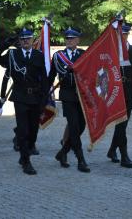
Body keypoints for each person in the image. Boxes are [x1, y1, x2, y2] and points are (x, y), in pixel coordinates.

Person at [0, 28, 49, 175]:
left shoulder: (38, 55)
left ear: (32, 39)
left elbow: (44, 78)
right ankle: (26, 161)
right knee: (23, 131)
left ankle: (25, 155)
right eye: (22, 39)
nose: (25, 41)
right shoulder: (12, 54)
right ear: (19, 41)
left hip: (36, 97)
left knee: (33, 132)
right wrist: (5, 44)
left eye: (28, 38)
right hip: (21, 97)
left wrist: (44, 98)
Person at [49, 27, 90, 173]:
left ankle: (63, 152)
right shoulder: (58, 56)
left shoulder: (83, 54)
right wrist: (46, 90)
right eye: (67, 38)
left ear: (78, 40)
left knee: (82, 126)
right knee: (73, 126)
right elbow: (52, 74)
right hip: (67, 95)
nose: (70, 41)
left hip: (82, 95)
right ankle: (81, 160)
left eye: (72, 38)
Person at [106, 23, 132, 168]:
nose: (123, 37)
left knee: (122, 124)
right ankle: (124, 155)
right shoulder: (111, 52)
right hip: (116, 92)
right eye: (120, 34)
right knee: (121, 124)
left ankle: (113, 150)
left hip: (130, 91)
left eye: (125, 34)